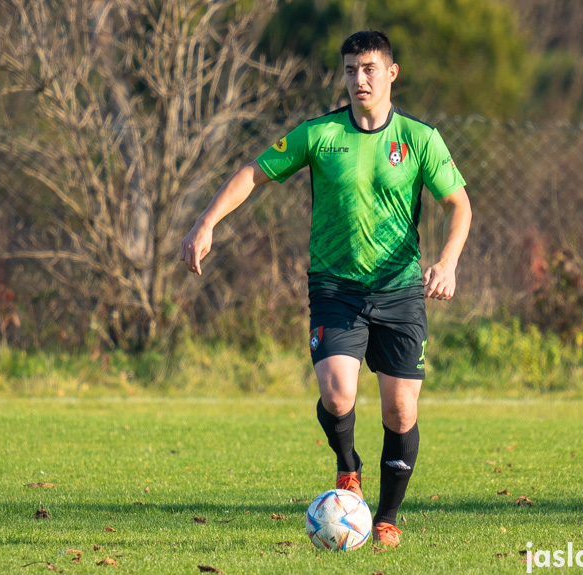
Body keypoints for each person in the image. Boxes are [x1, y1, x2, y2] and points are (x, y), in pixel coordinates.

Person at [181, 30, 471, 547]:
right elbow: (254, 172)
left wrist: (447, 261)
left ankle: (385, 518)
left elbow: (459, 204)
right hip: (336, 287)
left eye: (369, 69)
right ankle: (347, 468)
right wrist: (207, 223)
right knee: (338, 396)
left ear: (391, 73)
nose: (359, 79)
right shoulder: (319, 134)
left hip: (401, 289)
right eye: (350, 70)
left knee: (400, 411)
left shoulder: (420, 138)